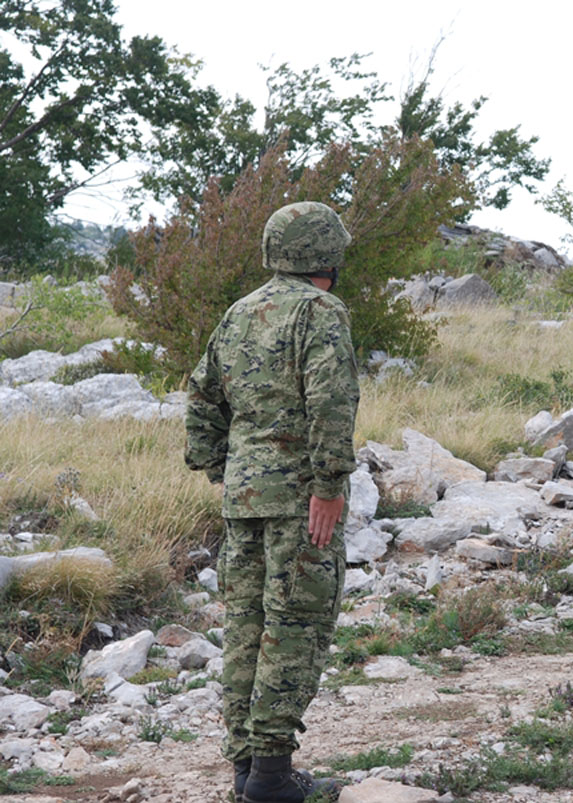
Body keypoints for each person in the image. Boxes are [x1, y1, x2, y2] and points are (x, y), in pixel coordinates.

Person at [185, 201, 359, 803]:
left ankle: (246, 772)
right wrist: (328, 487)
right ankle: (271, 781)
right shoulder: (321, 312)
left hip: (244, 500)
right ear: (326, 254)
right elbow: (331, 402)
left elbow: (201, 397)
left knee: (245, 629)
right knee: (294, 627)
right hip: (300, 503)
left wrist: (225, 471)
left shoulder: (240, 312)